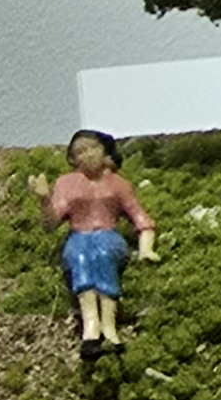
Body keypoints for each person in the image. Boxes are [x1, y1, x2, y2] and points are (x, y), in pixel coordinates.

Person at [46, 129, 157, 359]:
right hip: (79, 236)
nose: (87, 155)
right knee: (80, 256)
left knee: (103, 254)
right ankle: (91, 328)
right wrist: (43, 201)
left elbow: (140, 218)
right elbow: (51, 222)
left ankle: (109, 327)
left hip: (108, 235)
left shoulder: (118, 184)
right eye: (79, 152)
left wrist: (146, 248)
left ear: (105, 152)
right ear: (73, 159)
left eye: (92, 148)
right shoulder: (66, 184)